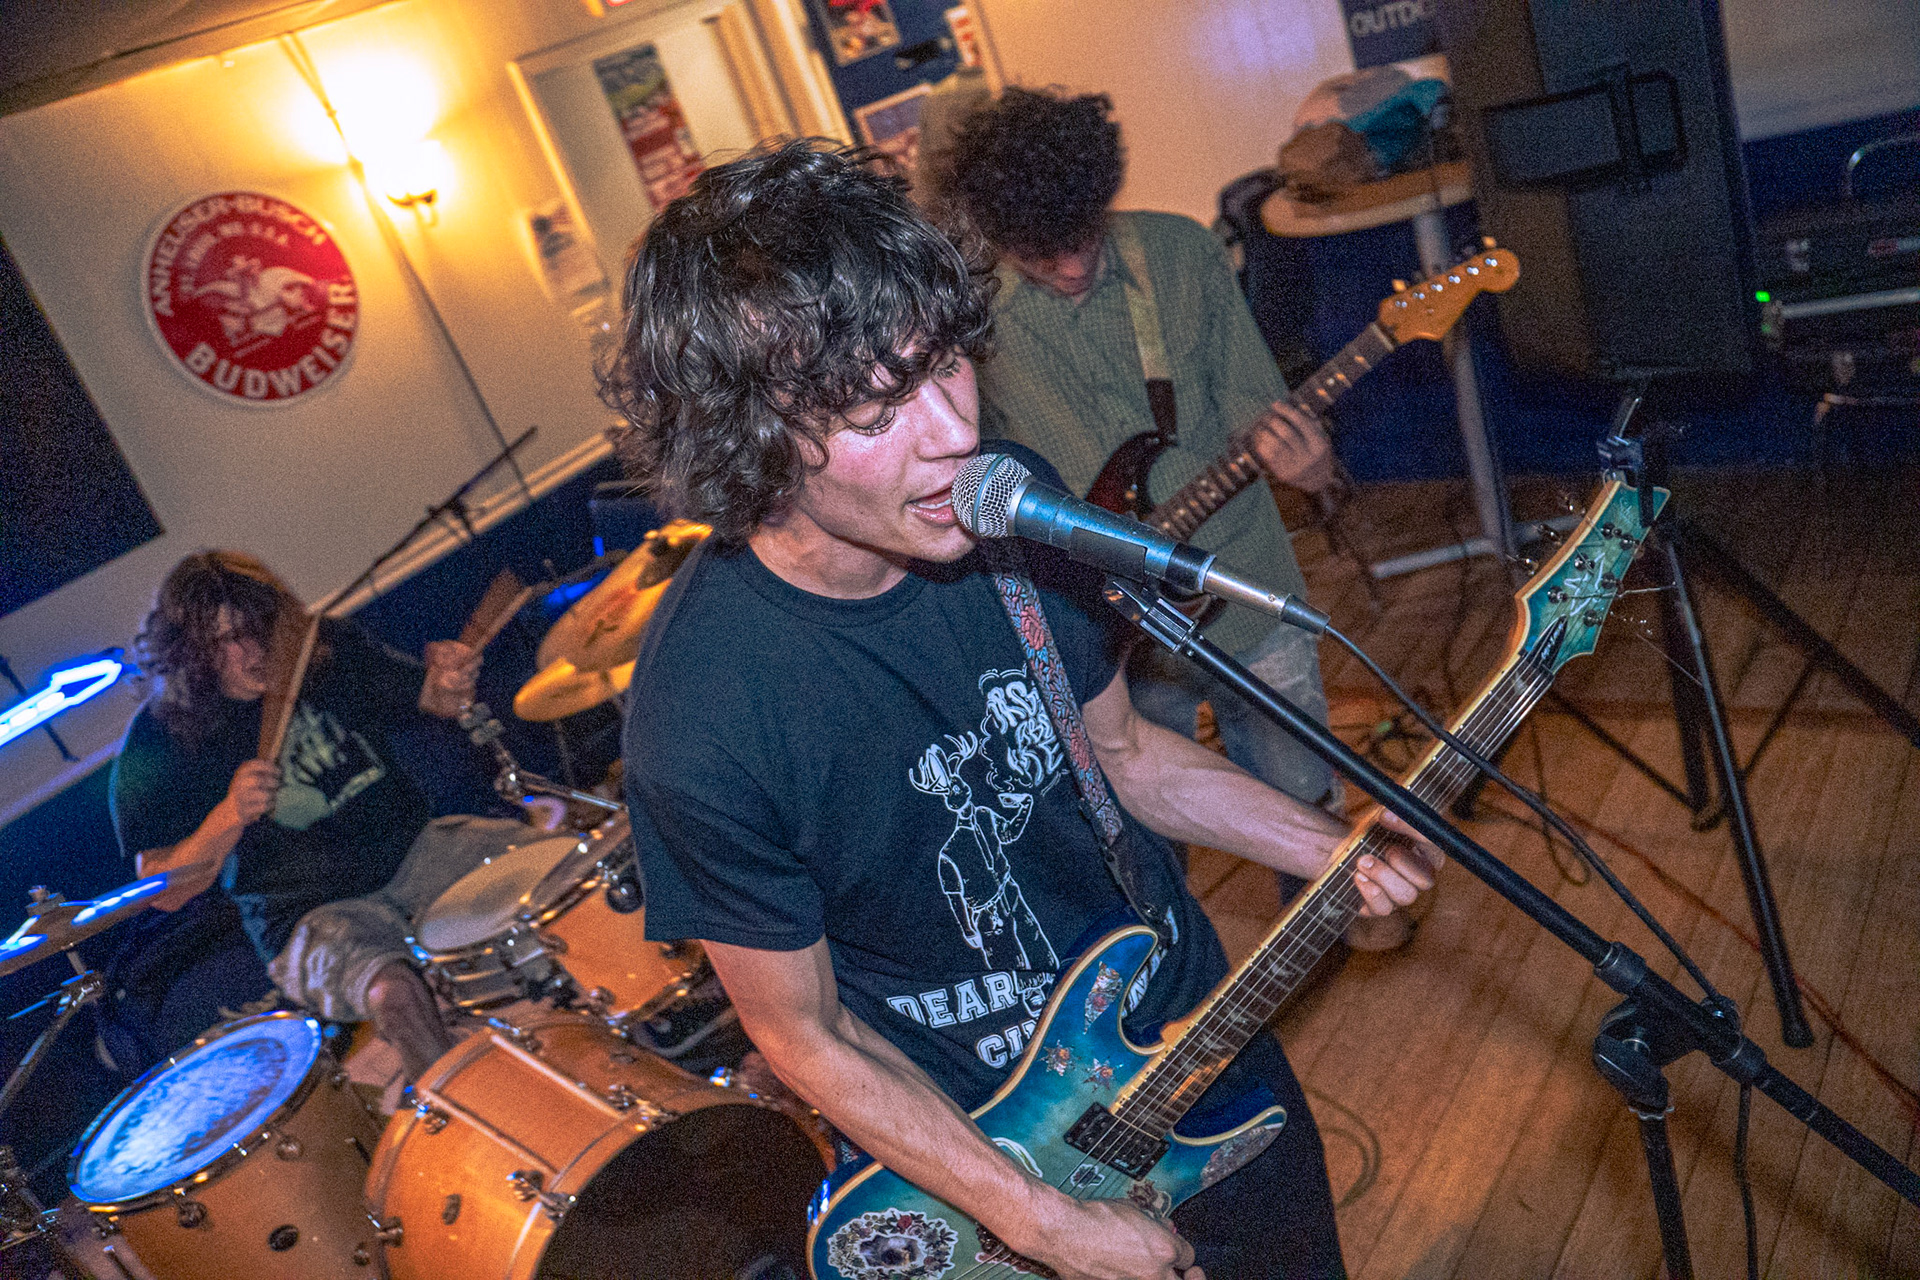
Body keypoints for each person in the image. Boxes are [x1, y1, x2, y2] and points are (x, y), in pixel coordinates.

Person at [608, 140, 1440, 1279]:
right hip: (993, 1147)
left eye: (944, 364)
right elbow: (802, 1029)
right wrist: (1040, 1222)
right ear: (746, 436)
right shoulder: (702, 719)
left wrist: (1329, 848)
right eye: (875, 408)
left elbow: (1126, 753)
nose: (954, 434)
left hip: (1184, 1034)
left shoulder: (1005, 510)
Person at [941, 90, 1411, 949]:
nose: (1072, 268)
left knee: (1297, 781)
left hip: (1239, 570)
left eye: (1083, 237)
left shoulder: (1179, 252)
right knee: (1142, 829)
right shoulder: (971, 323)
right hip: (1100, 617)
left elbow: (1259, 405)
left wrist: (1311, 466)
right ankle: (1171, 956)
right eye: (1042, 255)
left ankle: (1328, 920)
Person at [110, 550, 529, 1078]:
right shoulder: (163, 735)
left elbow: (430, 699)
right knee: (394, 993)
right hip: (306, 915)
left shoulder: (323, 651)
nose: (254, 650)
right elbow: (162, 888)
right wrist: (229, 814)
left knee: (547, 868)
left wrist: (449, 684)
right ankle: (455, 1106)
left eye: (261, 628)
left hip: (415, 851)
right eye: (228, 639)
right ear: (191, 652)